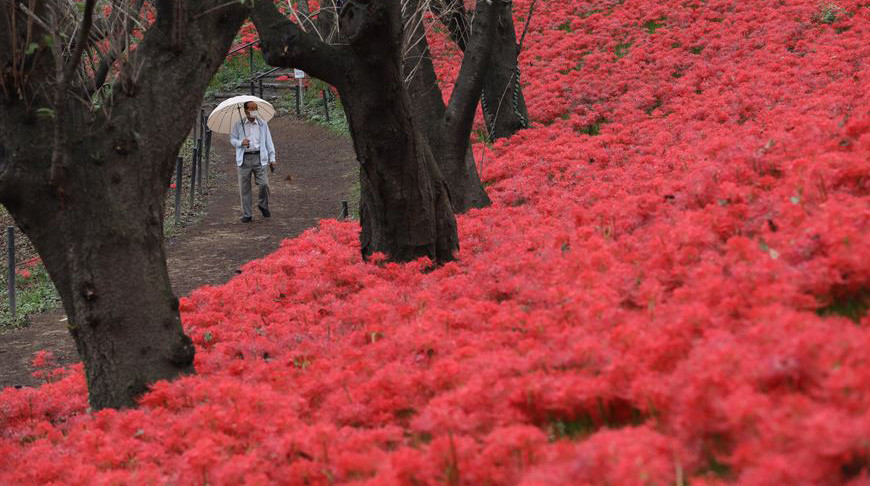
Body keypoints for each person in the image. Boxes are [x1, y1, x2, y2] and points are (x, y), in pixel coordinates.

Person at [229, 101, 276, 223]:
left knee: (264, 184)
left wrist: (272, 158)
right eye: (251, 108)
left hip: (260, 158)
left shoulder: (262, 124)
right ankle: (247, 214)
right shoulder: (238, 125)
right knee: (244, 188)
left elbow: (268, 142)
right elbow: (232, 139)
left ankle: (263, 204)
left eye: (255, 108)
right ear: (245, 111)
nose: (254, 111)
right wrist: (240, 143)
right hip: (244, 159)